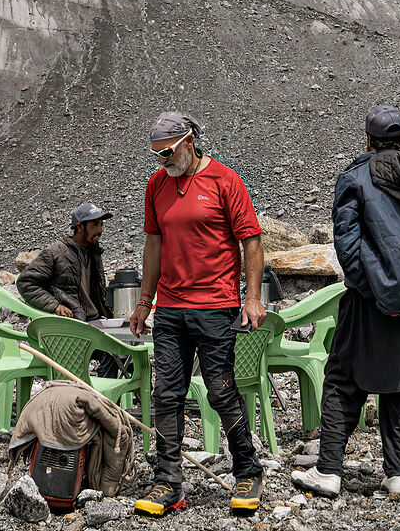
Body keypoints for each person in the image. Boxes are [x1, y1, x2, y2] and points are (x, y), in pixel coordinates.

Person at [290, 108, 400, 501]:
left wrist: (378, 295)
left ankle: (329, 471)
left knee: (343, 381)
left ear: (368, 139)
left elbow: (348, 249)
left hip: (366, 302)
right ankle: (398, 475)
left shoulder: (354, 179)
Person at [128, 112, 265, 517]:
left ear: (189, 141)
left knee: (221, 390)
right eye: (156, 155)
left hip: (216, 306)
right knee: (166, 394)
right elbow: (153, 244)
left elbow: (251, 241)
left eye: (167, 152)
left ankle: (248, 471)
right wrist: (144, 300)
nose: (162, 161)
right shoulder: (157, 185)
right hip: (171, 308)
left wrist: (252, 298)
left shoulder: (225, 180)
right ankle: (168, 482)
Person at [21, 203, 113, 320]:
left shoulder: (94, 252)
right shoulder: (55, 253)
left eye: (101, 224)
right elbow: (25, 283)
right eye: (95, 225)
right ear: (80, 227)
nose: (100, 230)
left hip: (96, 319)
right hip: (73, 321)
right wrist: (55, 306)